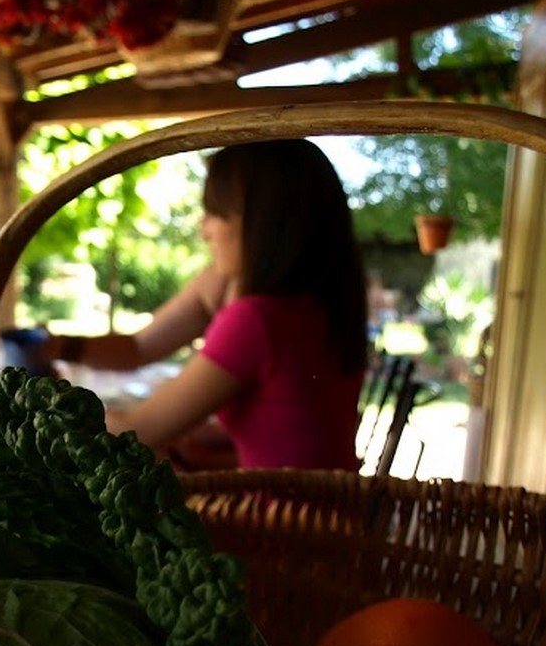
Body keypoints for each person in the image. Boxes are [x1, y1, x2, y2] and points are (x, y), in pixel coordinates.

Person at [36, 138, 368, 471]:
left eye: (214, 212)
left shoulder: (257, 319)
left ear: (258, 221)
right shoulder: (320, 305)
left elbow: (134, 432)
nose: (203, 230)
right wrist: (59, 346)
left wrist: (41, 405)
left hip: (273, 518)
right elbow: (291, 429)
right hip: (328, 514)